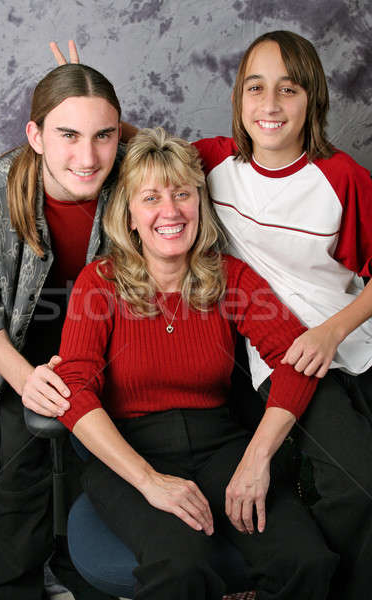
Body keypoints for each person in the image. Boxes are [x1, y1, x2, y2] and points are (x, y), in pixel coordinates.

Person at [50, 32, 372, 599]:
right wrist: (151, 482)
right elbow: (76, 387)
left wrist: (253, 461)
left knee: (308, 561)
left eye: (183, 196)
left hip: (224, 443)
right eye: (150, 199)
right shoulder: (98, 284)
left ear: (204, 202)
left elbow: (293, 361)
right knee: (180, 567)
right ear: (127, 216)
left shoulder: (232, 277)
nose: (169, 211)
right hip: (131, 450)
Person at [0, 62, 125, 600]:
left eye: (103, 135)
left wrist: (80, 96)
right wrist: (24, 378)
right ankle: (12, 585)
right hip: (22, 346)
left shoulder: (133, 175)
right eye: (67, 134)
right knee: (18, 468)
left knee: (101, 468)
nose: (88, 158)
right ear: (35, 135)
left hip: (108, 347)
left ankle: (86, 572)